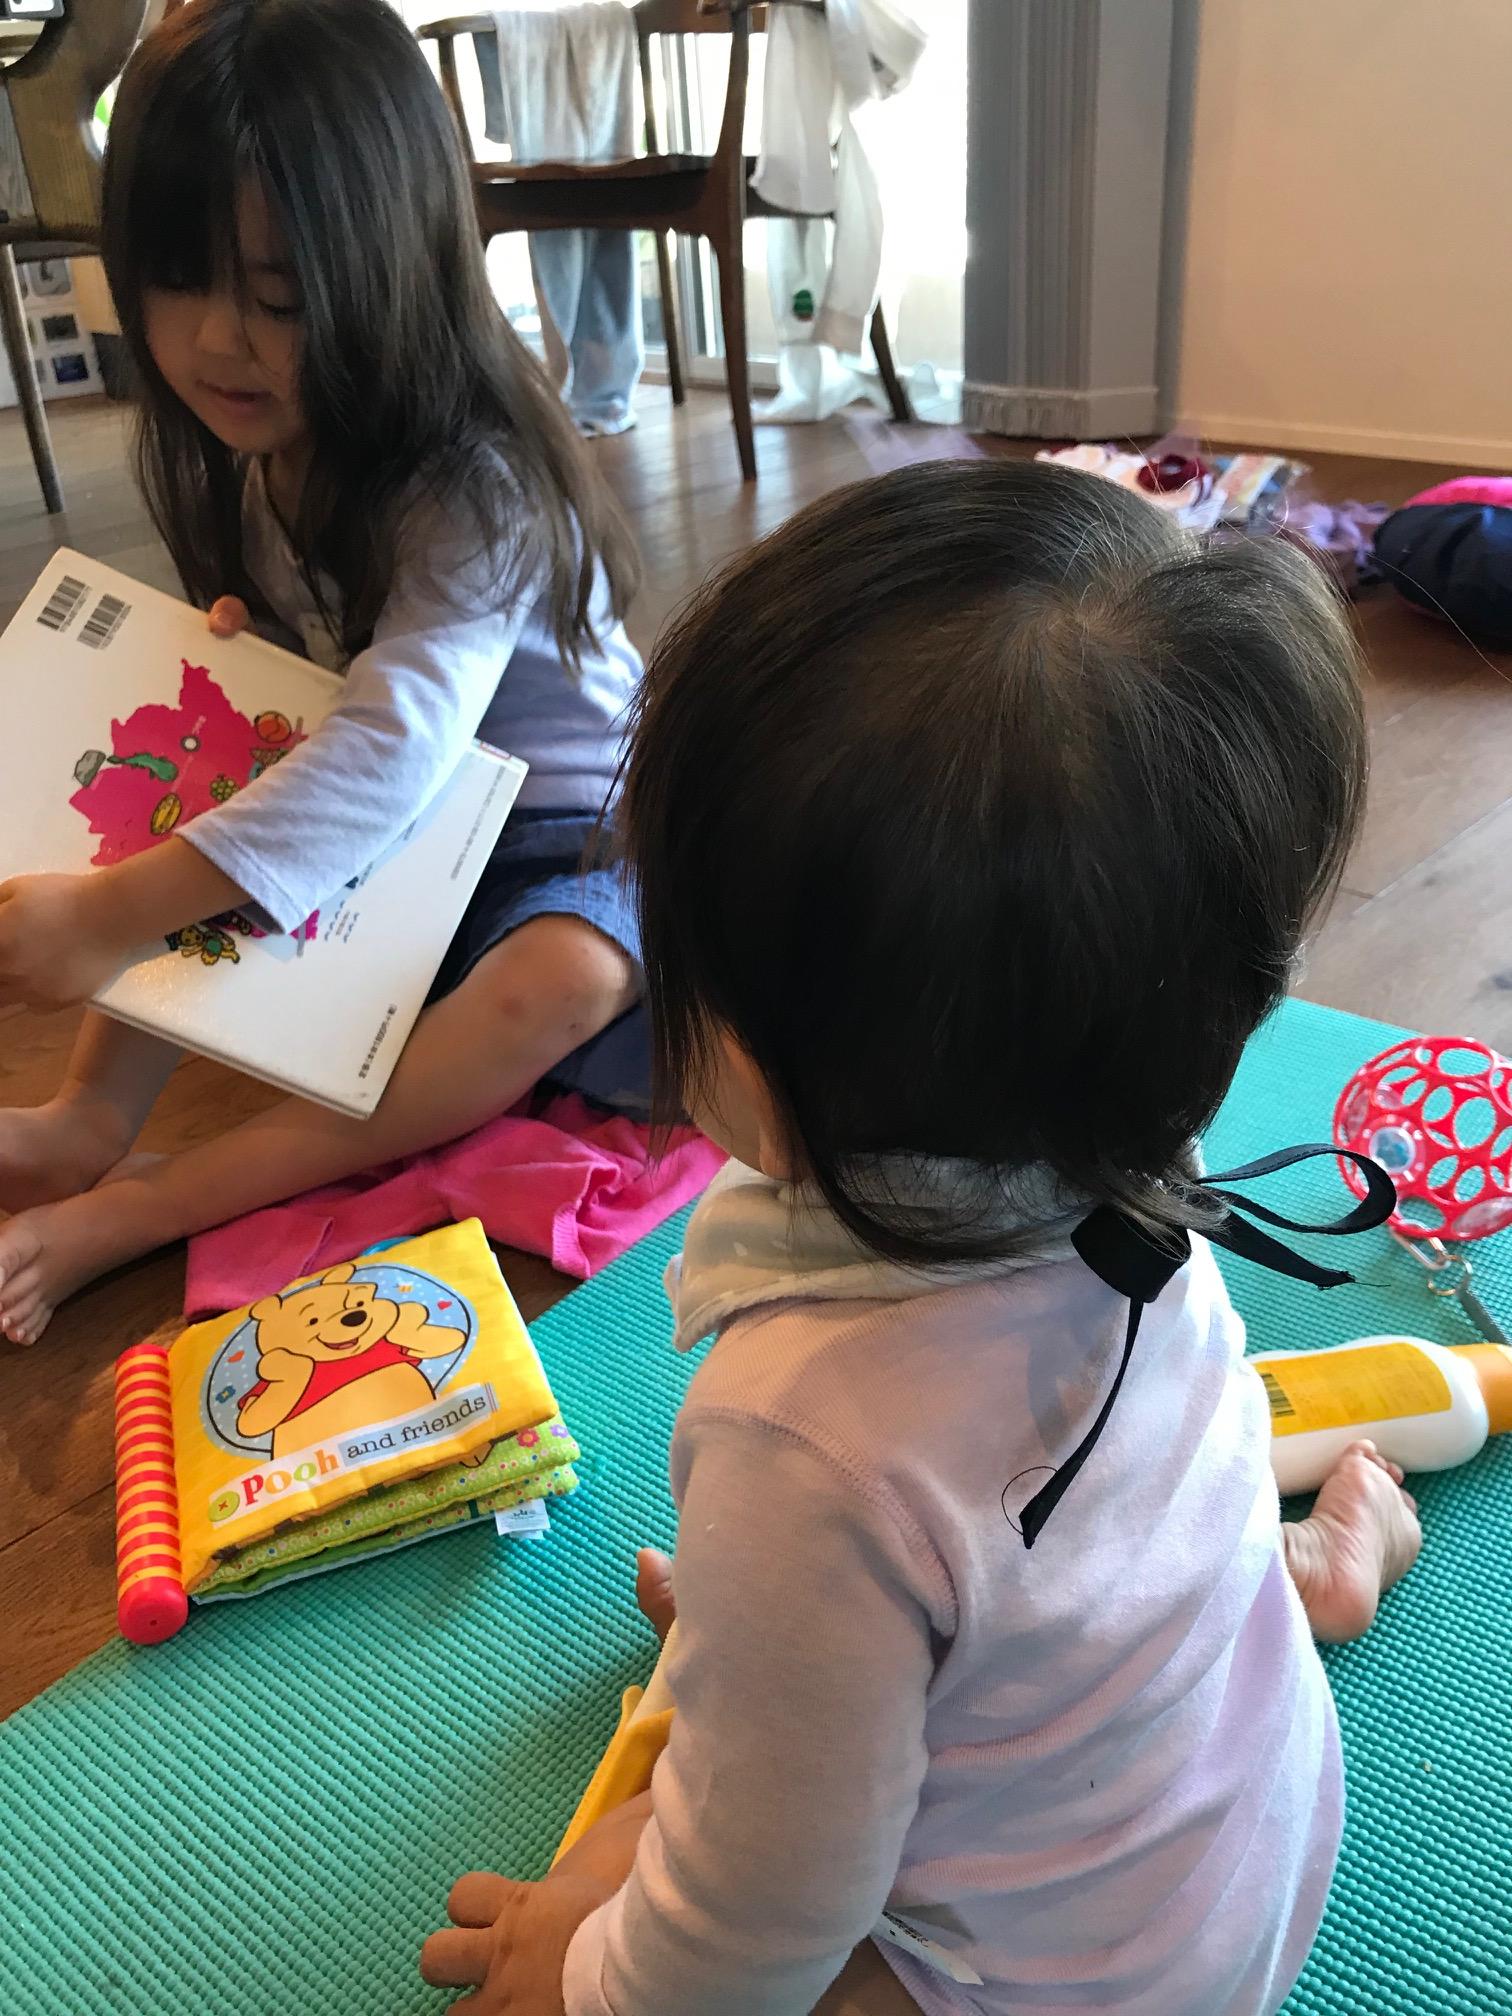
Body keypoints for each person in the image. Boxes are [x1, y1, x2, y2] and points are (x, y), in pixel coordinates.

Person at [421, 461, 1422, 2016]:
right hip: (1250, 1808)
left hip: (1089, 1986)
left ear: (746, 1052)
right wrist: (797, 1637)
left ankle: (835, 1685)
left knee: (641, 1860)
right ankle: (1306, 1574)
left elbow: (760, 1914)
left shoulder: (806, 1440)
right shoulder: (1135, 1148)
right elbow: (1082, 1506)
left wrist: (585, 1975)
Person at [0, 0, 647, 1343]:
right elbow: (340, 749)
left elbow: (392, 750)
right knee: (206, 783)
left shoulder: (472, 482)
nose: (218, 341)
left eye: (281, 299)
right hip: (412, 851)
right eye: (178, 280)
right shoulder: (266, 465)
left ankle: (150, 1204)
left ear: (395, 270)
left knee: (560, 987)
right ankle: (85, 1125)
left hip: (582, 841)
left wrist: (117, 911)